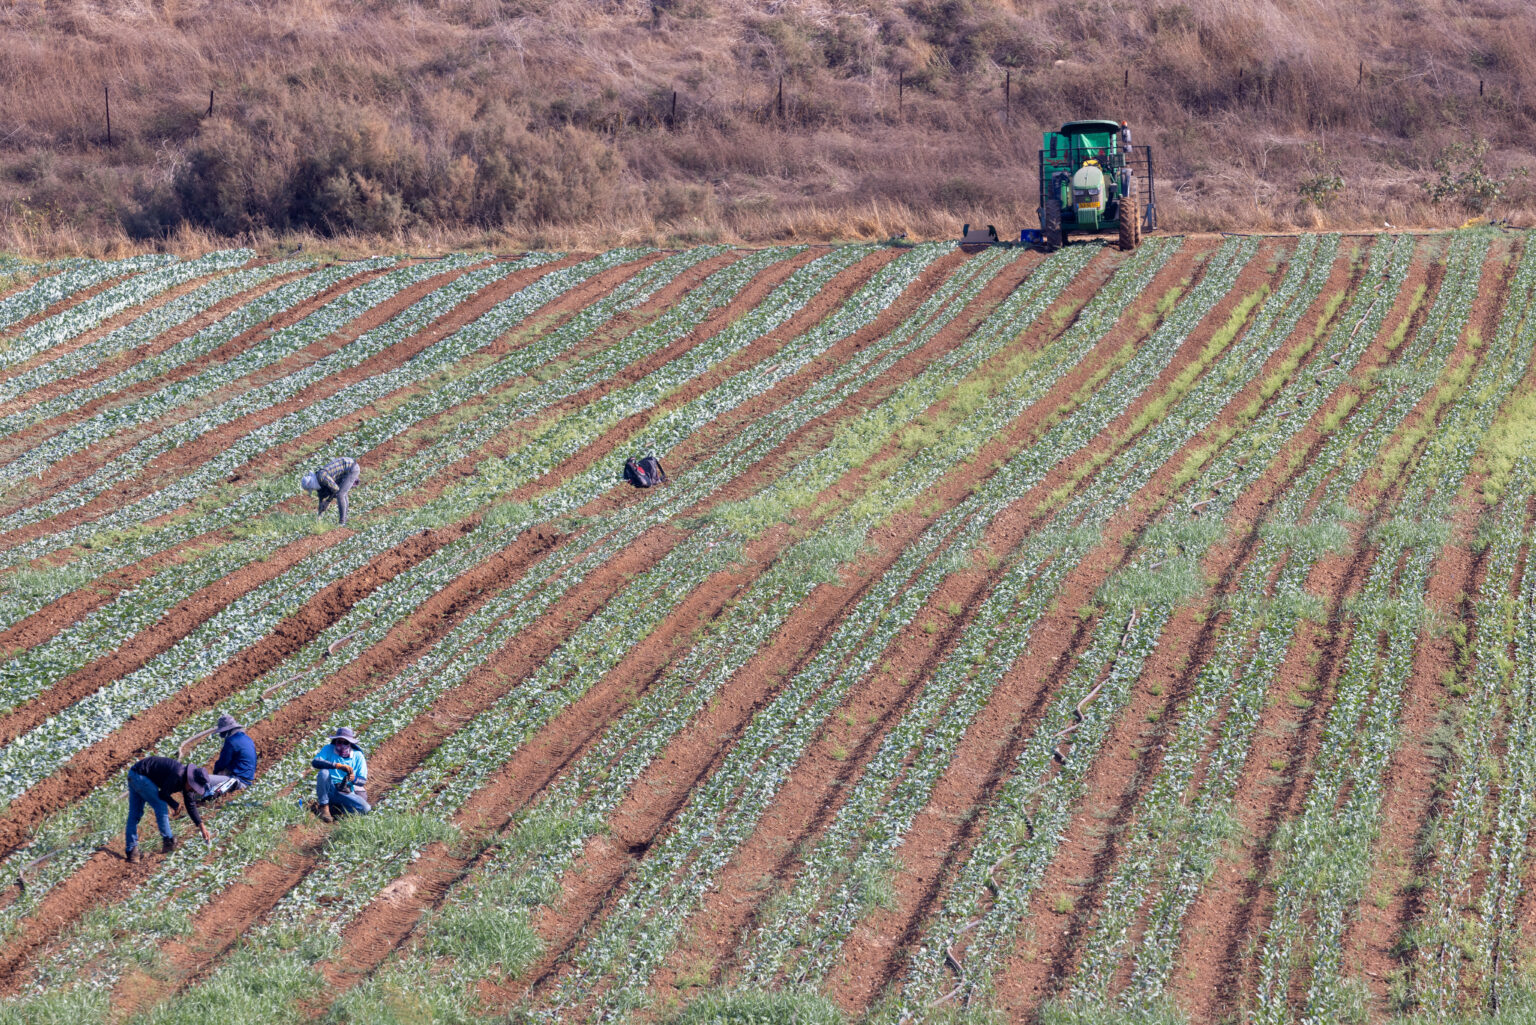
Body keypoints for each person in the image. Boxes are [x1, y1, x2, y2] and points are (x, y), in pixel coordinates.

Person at [126, 756, 211, 863]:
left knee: (134, 814)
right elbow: (163, 794)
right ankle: (169, 841)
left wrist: (201, 826)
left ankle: (132, 851)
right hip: (140, 775)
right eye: (194, 787)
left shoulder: (187, 783)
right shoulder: (178, 775)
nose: (193, 790)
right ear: (190, 780)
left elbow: (190, 805)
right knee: (160, 806)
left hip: (133, 774)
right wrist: (175, 804)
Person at [312, 726, 369, 822]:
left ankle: (340, 812)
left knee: (365, 808)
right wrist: (337, 766)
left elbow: (362, 780)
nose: (342, 745)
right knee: (323, 773)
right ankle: (324, 807)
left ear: (350, 743)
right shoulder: (328, 749)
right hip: (329, 788)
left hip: (345, 790)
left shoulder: (358, 756)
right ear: (335, 741)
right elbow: (315, 762)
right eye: (339, 742)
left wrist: (353, 779)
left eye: (345, 742)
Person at [300, 456, 361, 526]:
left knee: (340, 494)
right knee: (342, 493)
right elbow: (321, 498)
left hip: (352, 468)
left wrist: (328, 501)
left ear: (311, 485)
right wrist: (319, 515)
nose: (313, 490)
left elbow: (335, 489)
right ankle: (344, 520)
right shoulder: (318, 481)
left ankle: (342, 522)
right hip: (345, 470)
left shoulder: (322, 477)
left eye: (311, 488)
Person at [208, 713, 256, 796]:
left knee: (204, 779)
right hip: (248, 779)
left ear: (227, 731)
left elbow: (222, 762)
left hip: (237, 780)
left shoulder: (231, 741)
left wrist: (217, 773)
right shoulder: (247, 738)